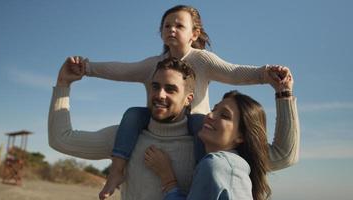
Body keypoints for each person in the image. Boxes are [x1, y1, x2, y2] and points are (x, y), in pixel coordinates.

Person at [65, 5, 291, 198]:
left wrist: (265, 74)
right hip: (160, 117)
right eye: (167, 25)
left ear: (194, 33)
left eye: (179, 25)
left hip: (195, 124)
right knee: (133, 114)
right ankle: (116, 171)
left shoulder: (203, 60)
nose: (171, 29)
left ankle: (201, 177)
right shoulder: (154, 64)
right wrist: (88, 67)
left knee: (197, 122)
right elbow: (121, 70)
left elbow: (234, 72)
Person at [49, 57, 300, 200]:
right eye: (155, 86)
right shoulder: (124, 138)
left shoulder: (208, 144)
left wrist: (284, 94)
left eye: (171, 89)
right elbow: (62, 140)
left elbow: (284, 155)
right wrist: (63, 85)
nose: (159, 94)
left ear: (189, 99)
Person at [144, 73, 296, 200]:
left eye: (224, 115)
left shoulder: (216, 165)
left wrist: (168, 178)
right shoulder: (233, 165)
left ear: (241, 136)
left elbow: (284, 154)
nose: (210, 115)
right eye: (214, 109)